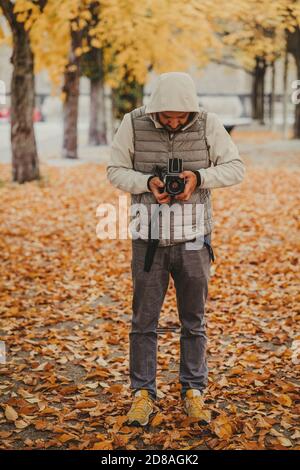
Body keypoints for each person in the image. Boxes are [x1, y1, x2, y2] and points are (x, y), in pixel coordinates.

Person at [107, 71, 245, 426]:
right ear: (155, 109)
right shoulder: (133, 123)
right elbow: (114, 170)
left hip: (194, 238)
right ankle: (142, 395)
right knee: (143, 322)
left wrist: (199, 178)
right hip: (147, 239)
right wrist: (146, 182)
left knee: (194, 321)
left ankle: (193, 391)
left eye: (178, 116)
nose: (171, 121)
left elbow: (235, 169)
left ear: (190, 111)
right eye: (165, 116)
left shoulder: (208, 124)